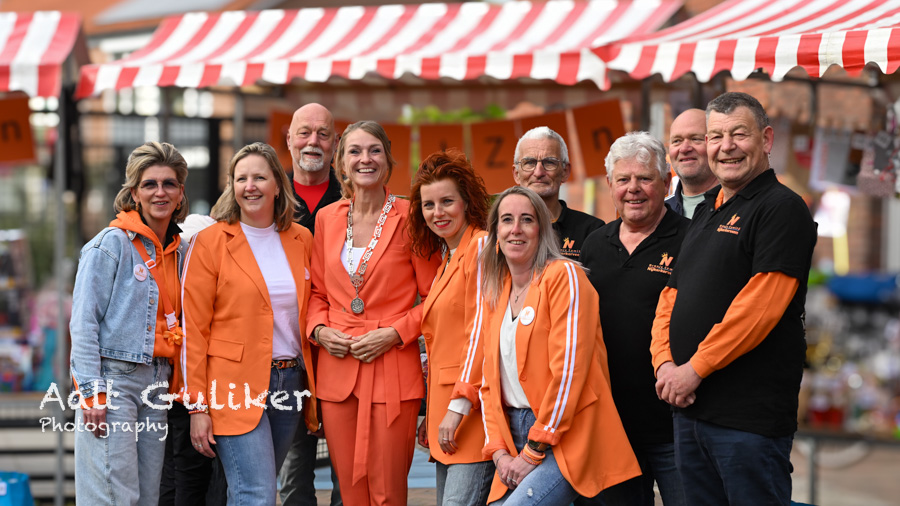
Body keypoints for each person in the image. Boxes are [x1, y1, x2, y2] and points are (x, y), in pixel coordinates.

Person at [651, 92, 817, 505]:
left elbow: (760, 308)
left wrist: (693, 370)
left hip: (747, 422)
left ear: (766, 139)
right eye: (716, 136)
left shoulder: (782, 208)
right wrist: (665, 364)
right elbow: (670, 295)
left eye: (739, 134)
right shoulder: (707, 209)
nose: (726, 147)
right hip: (690, 411)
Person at [478, 186, 641, 505]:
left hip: (565, 434)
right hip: (512, 435)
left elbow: (569, 372)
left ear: (542, 230)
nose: (516, 229)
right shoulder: (496, 291)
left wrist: (534, 448)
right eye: (506, 220)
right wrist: (498, 451)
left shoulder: (564, 276)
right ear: (495, 232)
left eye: (527, 220)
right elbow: (488, 384)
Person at [307, 121, 441, 505]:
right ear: (341, 163)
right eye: (355, 151)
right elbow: (316, 293)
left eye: (374, 150)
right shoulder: (326, 218)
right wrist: (319, 330)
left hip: (392, 368)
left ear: (388, 158)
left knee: (387, 493)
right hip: (337, 367)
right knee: (350, 493)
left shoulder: (412, 215)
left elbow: (437, 297)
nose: (365, 159)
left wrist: (396, 333)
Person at [181, 142, 318, 505]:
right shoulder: (210, 242)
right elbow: (193, 330)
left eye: (259, 177)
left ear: (278, 185)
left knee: (255, 490)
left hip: (290, 382)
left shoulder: (301, 239)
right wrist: (197, 407)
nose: (250, 186)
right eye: (241, 178)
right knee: (256, 494)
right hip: (233, 384)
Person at [71, 141, 188, 505]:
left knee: (147, 498)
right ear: (134, 192)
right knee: (113, 496)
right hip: (114, 382)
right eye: (149, 184)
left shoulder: (181, 251)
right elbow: (83, 322)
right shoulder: (110, 244)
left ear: (180, 192)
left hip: (158, 385)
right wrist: (91, 392)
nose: (160, 192)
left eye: (169, 184)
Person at [580, 132, 689, 506]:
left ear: (667, 182)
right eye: (623, 179)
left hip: (674, 425)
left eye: (645, 178)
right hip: (611, 426)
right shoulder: (595, 244)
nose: (633, 189)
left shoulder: (691, 240)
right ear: (610, 184)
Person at [407, 149, 493, 505]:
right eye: (429, 205)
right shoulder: (448, 256)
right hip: (447, 411)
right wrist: (432, 412)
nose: (437, 212)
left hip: (471, 411)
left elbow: (482, 332)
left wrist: (457, 408)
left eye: (447, 201)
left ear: (466, 202)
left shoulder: (481, 246)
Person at [281, 102, 344, 506]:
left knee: (347, 473)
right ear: (289, 139)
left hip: (342, 349)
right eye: (304, 132)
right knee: (293, 474)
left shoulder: (354, 197)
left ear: (335, 143)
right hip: (286, 352)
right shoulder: (268, 196)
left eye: (322, 134)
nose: (313, 141)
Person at [512, 127, 604, 260]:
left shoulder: (592, 231)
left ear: (565, 172)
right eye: (529, 163)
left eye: (549, 162)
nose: (538, 172)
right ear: (516, 174)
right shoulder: (499, 229)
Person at [666, 109, 719, 219]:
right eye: (676, 141)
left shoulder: (737, 207)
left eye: (695, 139)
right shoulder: (660, 213)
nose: (684, 149)